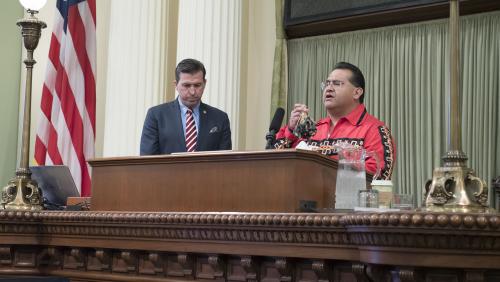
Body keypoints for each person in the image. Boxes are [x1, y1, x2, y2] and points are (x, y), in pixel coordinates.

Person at [275, 62, 395, 180]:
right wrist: (291, 130)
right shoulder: (313, 129)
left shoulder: (375, 130)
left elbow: (378, 176)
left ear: (357, 92)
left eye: (337, 84)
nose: (329, 88)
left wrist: (322, 170)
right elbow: (276, 164)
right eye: (327, 84)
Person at [140, 58, 232, 155]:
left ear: (204, 83)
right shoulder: (156, 116)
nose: (192, 92)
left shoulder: (220, 118)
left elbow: (225, 163)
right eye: (186, 85)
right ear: (176, 85)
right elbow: (147, 160)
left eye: (197, 85)